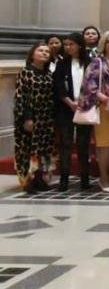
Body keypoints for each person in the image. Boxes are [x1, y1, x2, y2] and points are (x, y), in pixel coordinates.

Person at [78, 31, 109, 192]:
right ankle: (104, 179)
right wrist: (106, 99)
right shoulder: (97, 62)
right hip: (105, 109)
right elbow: (89, 85)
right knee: (105, 146)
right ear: (104, 44)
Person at [14, 43, 55, 192]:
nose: (44, 53)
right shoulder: (25, 72)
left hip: (46, 119)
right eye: (41, 50)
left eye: (47, 51)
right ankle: (28, 180)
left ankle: (40, 179)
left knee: (43, 150)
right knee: (29, 149)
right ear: (33, 54)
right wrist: (27, 118)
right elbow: (21, 97)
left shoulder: (49, 73)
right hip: (31, 116)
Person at [53, 33, 91, 190]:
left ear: (79, 45)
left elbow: (94, 82)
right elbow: (58, 85)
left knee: (83, 143)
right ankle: (64, 178)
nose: (67, 47)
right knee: (66, 144)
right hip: (66, 108)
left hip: (85, 107)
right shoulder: (62, 63)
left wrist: (84, 102)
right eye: (66, 45)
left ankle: (85, 178)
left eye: (71, 44)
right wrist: (69, 102)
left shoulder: (89, 62)